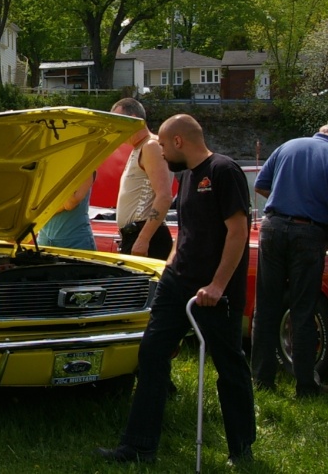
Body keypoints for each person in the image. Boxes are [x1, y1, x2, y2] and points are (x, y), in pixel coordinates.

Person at [97, 114, 255, 466]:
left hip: (214, 290)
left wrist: (217, 284)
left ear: (179, 141)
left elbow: (238, 232)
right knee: (152, 353)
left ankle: (241, 449)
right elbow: (185, 232)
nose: (162, 153)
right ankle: (138, 447)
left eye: (164, 145)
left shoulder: (223, 171)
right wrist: (168, 265)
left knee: (229, 364)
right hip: (177, 282)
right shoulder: (186, 178)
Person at [251, 124, 328, 398]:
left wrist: (285, 200)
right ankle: (306, 385)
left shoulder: (289, 145)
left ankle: (262, 380)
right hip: (309, 231)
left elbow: (261, 186)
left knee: (267, 306)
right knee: (303, 310)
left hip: (272, 227)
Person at [110, 98, 174, 260]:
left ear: (134, 119)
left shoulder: (151, 146)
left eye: (118, 121)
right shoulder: (140, 148)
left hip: (144, 235)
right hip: (135, 234)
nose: (115, 128)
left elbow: (164, 195)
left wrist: (143, 239)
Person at [37, 172, 96, 250]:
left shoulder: (87, 168)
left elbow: (70, 203)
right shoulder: (44, 169)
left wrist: (46, 208)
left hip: (76, 242)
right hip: (44, 240)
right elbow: (35, 205)